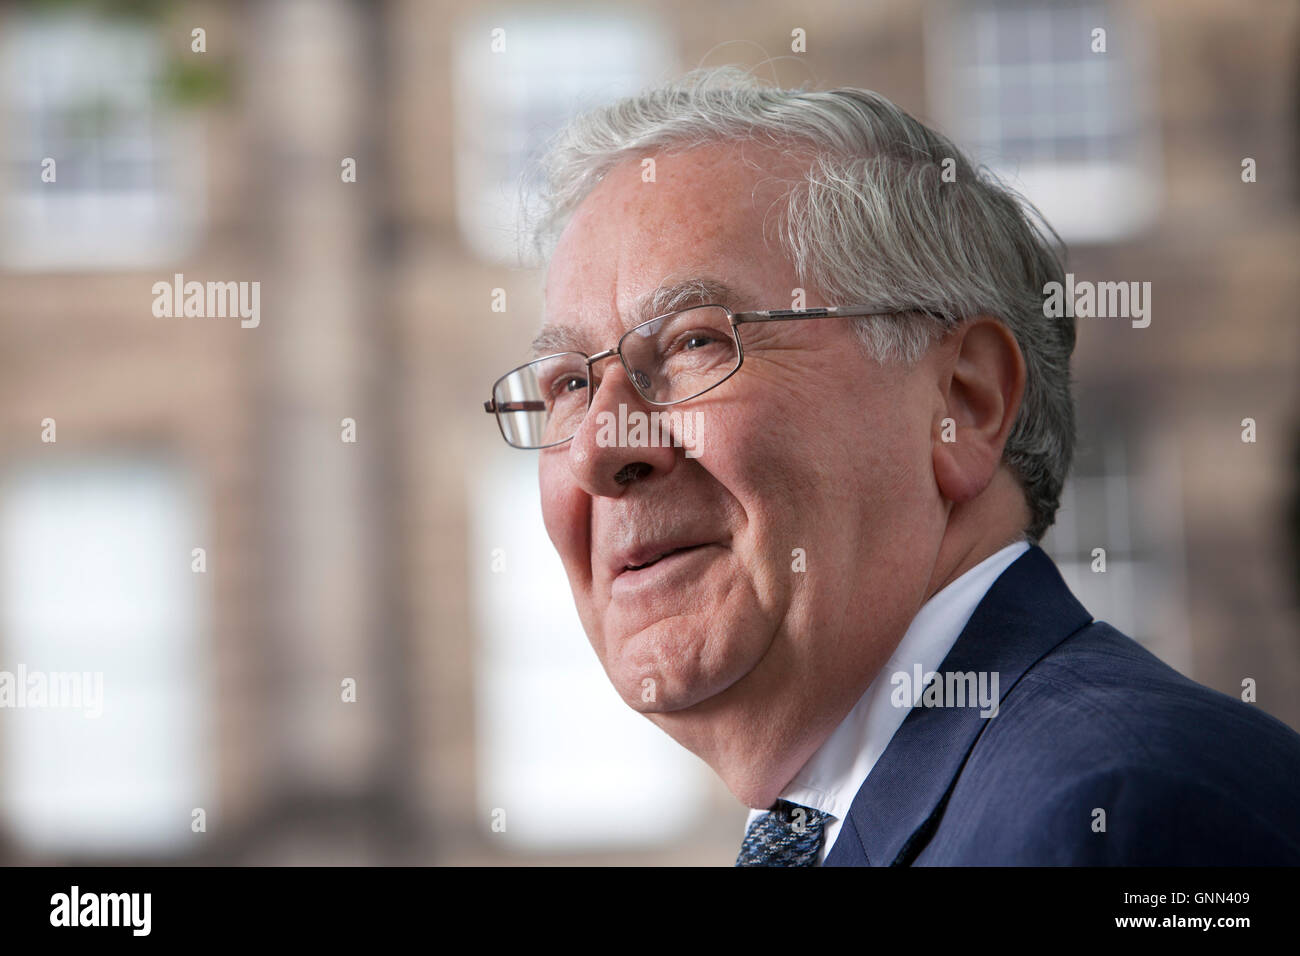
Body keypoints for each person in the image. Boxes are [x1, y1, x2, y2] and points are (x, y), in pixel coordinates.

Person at [482, 67, 1300, 865]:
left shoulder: (1115, 819)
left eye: (696, 341)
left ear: (964, 403)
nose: (596, 448)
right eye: (569, 385)